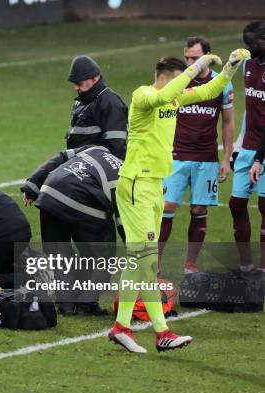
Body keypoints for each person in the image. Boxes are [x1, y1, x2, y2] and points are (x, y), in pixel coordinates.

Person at [108, 50, 249, 353]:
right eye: (180, 78)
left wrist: (229, 69)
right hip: (136, 185)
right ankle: (162, 332)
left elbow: (208, 90)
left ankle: (121, 327)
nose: (183, 87)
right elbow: (169, 93)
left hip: (155, 186)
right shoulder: (144, 95)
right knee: (146, 261)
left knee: (138, 260)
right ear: (167, 77)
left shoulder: (173, 99)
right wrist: (195, 67)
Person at [159, 36, 235, 274]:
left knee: (199, 210)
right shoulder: (179, 82)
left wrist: (226, 159)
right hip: (176, 156)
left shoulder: (222, 83)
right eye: (187, 57)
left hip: (206, 158)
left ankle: (190, 264)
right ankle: (156, 263)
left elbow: (229, 122)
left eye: (195, 57)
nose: (190, 62)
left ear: (208, 57)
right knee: (167, 206)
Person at [21, 144, 124, 316]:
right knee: (105, 257)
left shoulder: (95, 148)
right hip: (83, 201)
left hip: (49, 194)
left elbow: (60, 157)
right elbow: (123, 219)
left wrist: (32, 185)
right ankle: (86, 305)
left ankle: (66, 305)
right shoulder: (126, 176)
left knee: (59, 253)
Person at [230, 22, 265, 274]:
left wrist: (258, 160)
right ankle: (246, 266)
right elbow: (249, 113)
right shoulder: (248, 66)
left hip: (263, 152)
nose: (248, 48)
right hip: (249, 146)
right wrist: (237, 147)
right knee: (235, 205)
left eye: (252, 43)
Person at [65, 55, 128, 159]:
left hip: (95, 171)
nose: (75, 88)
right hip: (79, 166)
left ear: (94, 78)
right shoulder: (82, 100)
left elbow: (117, 150)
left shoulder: (110, 103)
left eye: (79, 83)